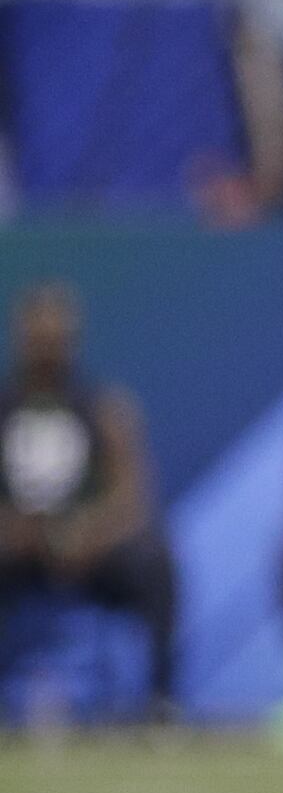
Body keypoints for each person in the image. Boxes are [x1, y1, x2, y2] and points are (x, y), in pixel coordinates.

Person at [0, 282, 179, 718]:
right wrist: (20, 530)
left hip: (88, 546)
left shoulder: (104, 409)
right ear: (20, 336)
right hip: (15, 543)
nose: (46, 345)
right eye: (38, 336)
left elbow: (132, 496)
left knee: (154, 560)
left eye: (55, 335)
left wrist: (88, 533)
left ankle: (159, 696)